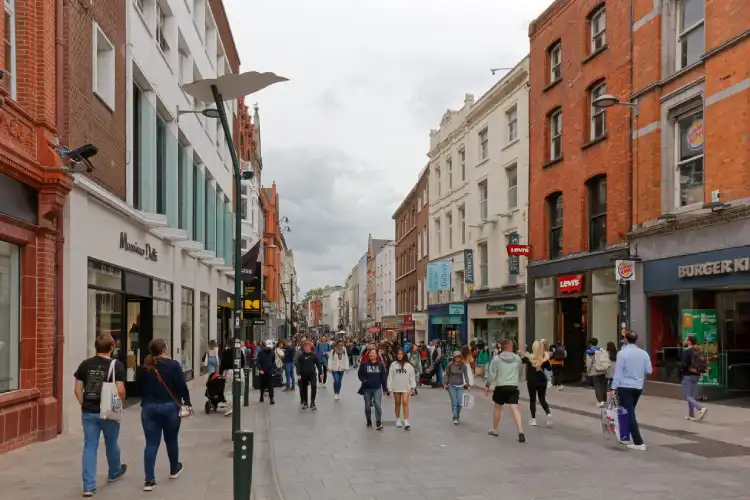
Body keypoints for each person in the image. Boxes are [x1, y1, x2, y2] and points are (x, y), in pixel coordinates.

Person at [74, 334, 128, 497]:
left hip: (89, 411)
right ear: (111, 348)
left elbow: (77, 389)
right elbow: (120, 390)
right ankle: (114, 472)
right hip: (108, 411)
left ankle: (88, 486)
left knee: (90, 446)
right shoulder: (116, 365)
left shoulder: (85, 364)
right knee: (112, 443)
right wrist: (121, 405)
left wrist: (84, 404)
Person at [138, 338, 191, 492]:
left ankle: (149, 480)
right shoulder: (174, 365)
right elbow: (182, 386)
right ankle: (174, 469)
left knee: (151, 443)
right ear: (165, 349)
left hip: (149, 408)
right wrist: (187, 401)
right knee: (171, 439)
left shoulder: (145, 367)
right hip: (170, 408)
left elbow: (138, 387)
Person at [611, 330, 652, 451]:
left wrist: (613, 387)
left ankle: (638, 442)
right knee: (630, 411)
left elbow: (618, 373)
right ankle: (625, 436)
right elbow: (649, 370)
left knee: (629, 413)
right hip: (638, 387)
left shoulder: (622, 354)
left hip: (625, 386)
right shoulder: (644, 353)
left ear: (625, 339)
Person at [485, 339, 525, 442]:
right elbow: (521, 372)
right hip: (513, 386)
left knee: (497, 407)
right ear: (510, 347)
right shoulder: (517, 358)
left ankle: (494, 429)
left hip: (501, 386)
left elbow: (491, 374)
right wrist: (518, 379)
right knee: (515, 408)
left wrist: (488, 385)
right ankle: (520, 430)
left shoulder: (496, 359)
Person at [521, 341, 552, 427]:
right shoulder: (543, 358)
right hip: (542, 381)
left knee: (533, 400)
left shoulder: (529, 358)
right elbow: (549, 368)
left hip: (532, 381)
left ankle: (533, 419)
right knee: (542, 399)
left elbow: (521, 360)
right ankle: (548, 413)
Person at [358, 348, 388, 430]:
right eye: (370, 353)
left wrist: (385, 389)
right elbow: (360, 374)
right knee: (367, 406)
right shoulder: (364, 364)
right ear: (369, 354)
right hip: (367, 389)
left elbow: (383, 377)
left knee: (377, 404)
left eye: (374, 353)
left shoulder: (380, 364)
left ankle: (378, 422)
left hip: (377, 388)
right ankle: (368, 420)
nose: (372, 355)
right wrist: (364, 380)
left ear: (376, 355)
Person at [388, 349, 417, 429]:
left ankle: (406, 420)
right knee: (397, 402)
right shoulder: (394, 364)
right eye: (398, 354)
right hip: (396, 386)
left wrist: (413, 386)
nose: (399, 355)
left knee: (405, 402)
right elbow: (390, 377)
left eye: (401, 354)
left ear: (404, 355)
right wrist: (389, 387)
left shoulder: (409, 365)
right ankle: (398, 419)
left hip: (406, 387)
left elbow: (412, 377)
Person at [681, 335, 708, 421]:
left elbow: (684, 365)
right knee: (691, 395)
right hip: (696, 375)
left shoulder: (687, 351)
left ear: (689, 342)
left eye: (686, 339)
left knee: (687, 395)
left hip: (688, 375)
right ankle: (691, 415)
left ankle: (700, 408)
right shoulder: (696, 351)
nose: (685, 341)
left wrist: (680, 369)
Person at [219, 338, 245, 416]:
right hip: (240, 371)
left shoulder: (226, 352)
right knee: (240, 390)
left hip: (230, 372)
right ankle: (238, 405)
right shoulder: (239, 351)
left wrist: (220, 372)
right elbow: (243, 362)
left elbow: (223, 364)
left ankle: (231, 406)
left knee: (228, 391)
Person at [444, 351, 470, 425]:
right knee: (454, 402)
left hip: (460, 386)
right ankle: (455, 417)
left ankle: (457, 414)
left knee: (460, 403)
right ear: (454, 358)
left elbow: (466, 376)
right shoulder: (450, 365)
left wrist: (468, 385)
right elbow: (447, 375)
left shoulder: (463, 366)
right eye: (456, 357)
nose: (458, 359)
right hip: (451, 385)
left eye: (459, 357)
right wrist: (445, 383)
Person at [585, 337, 609, 407]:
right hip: (603, 370)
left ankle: (600, 401)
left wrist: (588, 370)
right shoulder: (602, 350)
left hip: (595, 370)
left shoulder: (590, 352)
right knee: (603, 386)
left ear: (590, 344)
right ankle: (604, 400)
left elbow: (588, 363)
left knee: (597, 386)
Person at [295, 341, 318, 410]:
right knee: (304, 388)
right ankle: (305, 402)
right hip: (303, 374)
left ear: (310, 347)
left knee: (314, 386)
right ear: (303, 348)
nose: (306, 348)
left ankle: (312, 403)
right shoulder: (301, 356)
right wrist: (298, 374)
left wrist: (321, 372)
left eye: (307, 346)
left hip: (312, 373)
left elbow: (318, 364)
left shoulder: (313, 355)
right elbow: (298, 365)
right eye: (305, 346)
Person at [256, 340, 276, 404]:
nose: (269, 348)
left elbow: (273, 361)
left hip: (270, 371)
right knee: (262, 385)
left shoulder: (272, 353)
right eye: (268, 347)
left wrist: (273, 369)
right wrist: (260, 369)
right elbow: (257, 362)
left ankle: (271, 398)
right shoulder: (260, 353)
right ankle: (261, 395)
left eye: (270, 347)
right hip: (262, 371)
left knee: (271, 385)